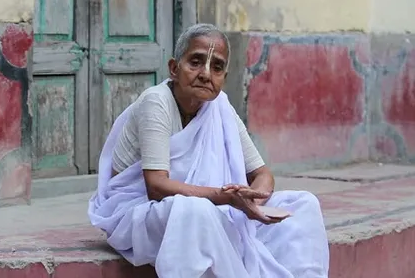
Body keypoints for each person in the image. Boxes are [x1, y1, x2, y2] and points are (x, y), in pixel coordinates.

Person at [88, 23, 330, 278]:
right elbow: (156, 187)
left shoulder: (220, 107)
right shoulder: (156, 102)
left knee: (303, 204)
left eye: (216, 67)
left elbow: (262, 174)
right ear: (174, 68)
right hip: (137, 211)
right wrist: (224, 198)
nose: (205, 74)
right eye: (196, 62)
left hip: (211, 205)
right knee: (195, 212)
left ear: (224, 77)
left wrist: (253, 202)